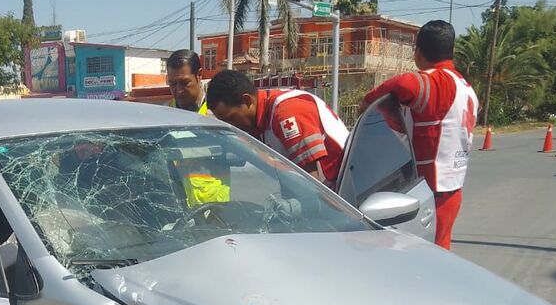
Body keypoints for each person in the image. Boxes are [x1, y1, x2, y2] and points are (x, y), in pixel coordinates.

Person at [357, 19, 478, 250]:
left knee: (420, 261)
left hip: (429, 191)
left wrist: (367, 101)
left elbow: (404, 84)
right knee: (439, 253)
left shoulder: (437, 82)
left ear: (418, 52)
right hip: (451, 188)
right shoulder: (465, 86)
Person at [205, 69, 348, 184]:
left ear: (247, 100)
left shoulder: (286, 112)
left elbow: (310, 180)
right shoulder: (260, 122)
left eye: (232, 118)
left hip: (342, 195)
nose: (232, 126)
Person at [166, 49, 208, 114]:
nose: (179, 91)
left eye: (185, 83)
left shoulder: (217, 114)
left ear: (199, 75)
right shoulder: (164, 114)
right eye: (173, 84)